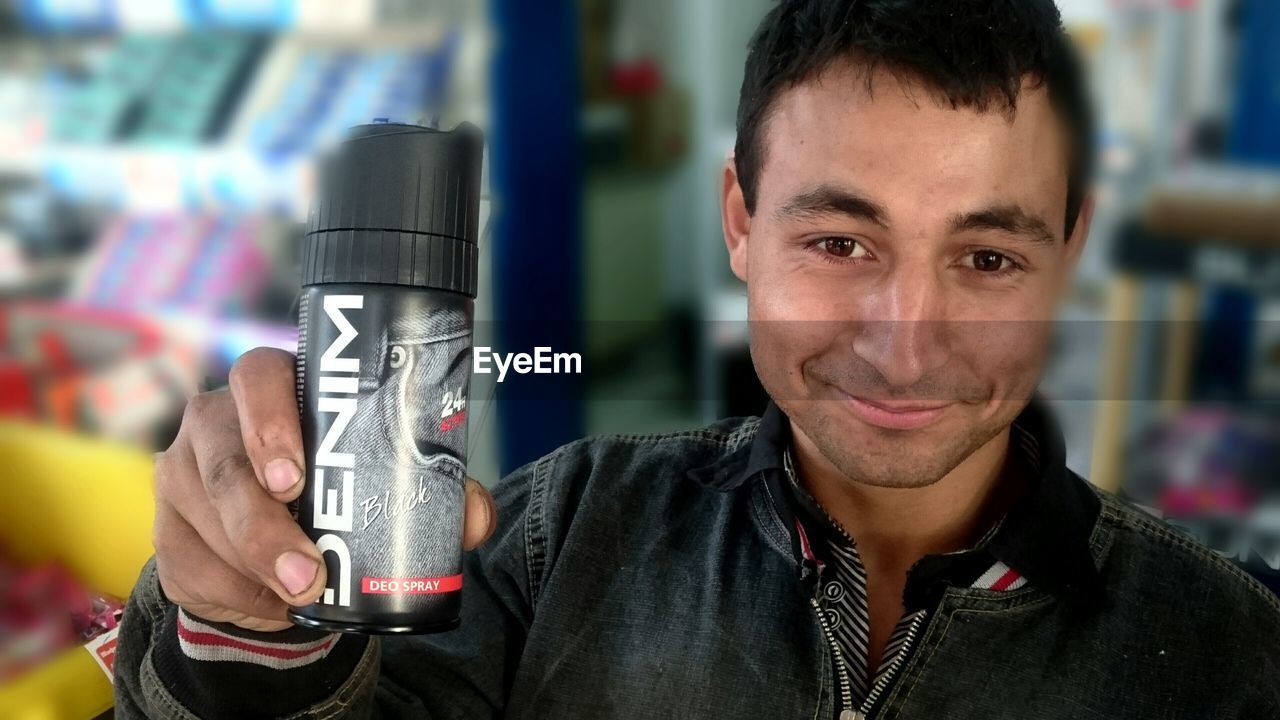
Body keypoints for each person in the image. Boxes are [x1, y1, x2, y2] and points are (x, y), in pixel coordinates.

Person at [114, 1, 1280, 718]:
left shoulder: (1230, 652)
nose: (905, 340)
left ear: (1066, 248)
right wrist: (240, 629)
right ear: (738, 221)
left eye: (985, 259)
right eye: (837, 241)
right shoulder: (559, 533)